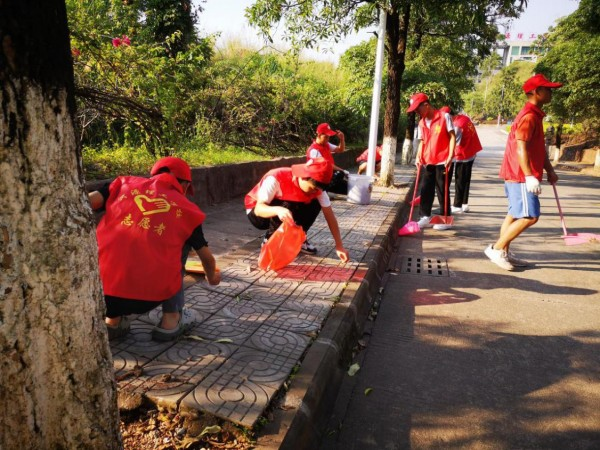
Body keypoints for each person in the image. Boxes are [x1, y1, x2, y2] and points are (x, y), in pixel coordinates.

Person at [88, 156, 221, 341]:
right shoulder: (186, 209)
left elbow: (85, 202)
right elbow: (206, 257)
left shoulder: (122, 184)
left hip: (98, 294)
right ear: (184, 185)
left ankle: (112, 321)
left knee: (119, 241)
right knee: (181, 244)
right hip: (148, 298)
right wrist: (212, 277)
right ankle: (170, 321)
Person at [484, 73, 562, 271]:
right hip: (520, 175)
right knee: (530, 216)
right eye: (548, 89)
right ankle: (497, 248)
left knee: (514, 214)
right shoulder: (529, 117)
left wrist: (549, 170)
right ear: (537, 92)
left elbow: (537, 149)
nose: (551, 93)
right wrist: (529, 176)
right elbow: (522, 148)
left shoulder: (534, 114)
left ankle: (503, 253)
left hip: (519, 174)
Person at [245, 157, 349, 262]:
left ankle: (299, 239)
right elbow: (259, 209)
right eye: (313, 189)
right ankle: (270, 240)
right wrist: (278, 210)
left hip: (283, 209)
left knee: (315, 202)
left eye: (318, 190)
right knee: (290, 204)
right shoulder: (276, 177)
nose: (315, 192)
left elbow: (329, 216)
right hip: (258, 214)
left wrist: (339, 246)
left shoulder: (318, 190)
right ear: (304, 177)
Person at [407, 93, 456, 231]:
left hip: (443, 160)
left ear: (426, 105)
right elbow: (422, 141)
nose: (417, 112)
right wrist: (418, 156)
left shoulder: (444, 117)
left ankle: (445, 218)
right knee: (426, 188)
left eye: (418, 109)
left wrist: (450, 155)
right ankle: (425, 216)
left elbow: (452, 137)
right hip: (428, 160)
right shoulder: (422, 122)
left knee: (442, 189)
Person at [439, 106, 483, 214]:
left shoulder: (457, 126)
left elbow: (455, 145)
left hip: (464, 153)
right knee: (466, 179)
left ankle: (457, 206)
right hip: (472, 150)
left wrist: (447, 157)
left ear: (448, 117)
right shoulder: (463, 118)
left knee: (460, 179)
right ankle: (464, 204)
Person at [307, 123, 348, 195]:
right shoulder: (314, 150)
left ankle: (329, 191)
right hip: (320, 179)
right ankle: (325, 191)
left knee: (348, 188)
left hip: (329, 175)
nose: (328, 139)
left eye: (329, 137)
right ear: (319, 135)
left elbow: (340, 150)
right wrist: (343, 170)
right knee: (340, 174)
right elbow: (326, 165)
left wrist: (342, 139)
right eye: (326, 137)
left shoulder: (326, 144)